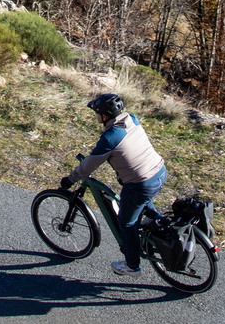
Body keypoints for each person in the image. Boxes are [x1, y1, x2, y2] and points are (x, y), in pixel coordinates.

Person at [61, 92, 166, 275]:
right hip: (159, 172)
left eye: (97, 113)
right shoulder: (131, 119)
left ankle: (132, 266)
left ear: (105, 115)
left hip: (142, 184)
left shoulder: (110, 138)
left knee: (126, 222)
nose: (96, 116)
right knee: (136, 197)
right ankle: (151, 217)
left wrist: (70, 180)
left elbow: (88, 166)